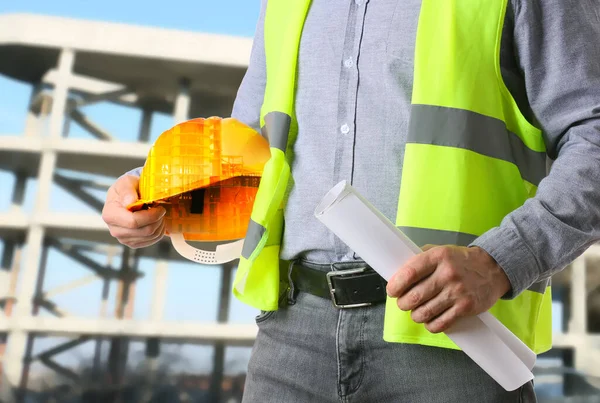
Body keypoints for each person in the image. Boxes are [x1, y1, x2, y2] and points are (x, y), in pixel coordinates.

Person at [102, 0, 600, 401]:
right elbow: (250, 144)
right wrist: (151, 188)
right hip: (293, 333)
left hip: (451, 336)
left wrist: (500, 261)